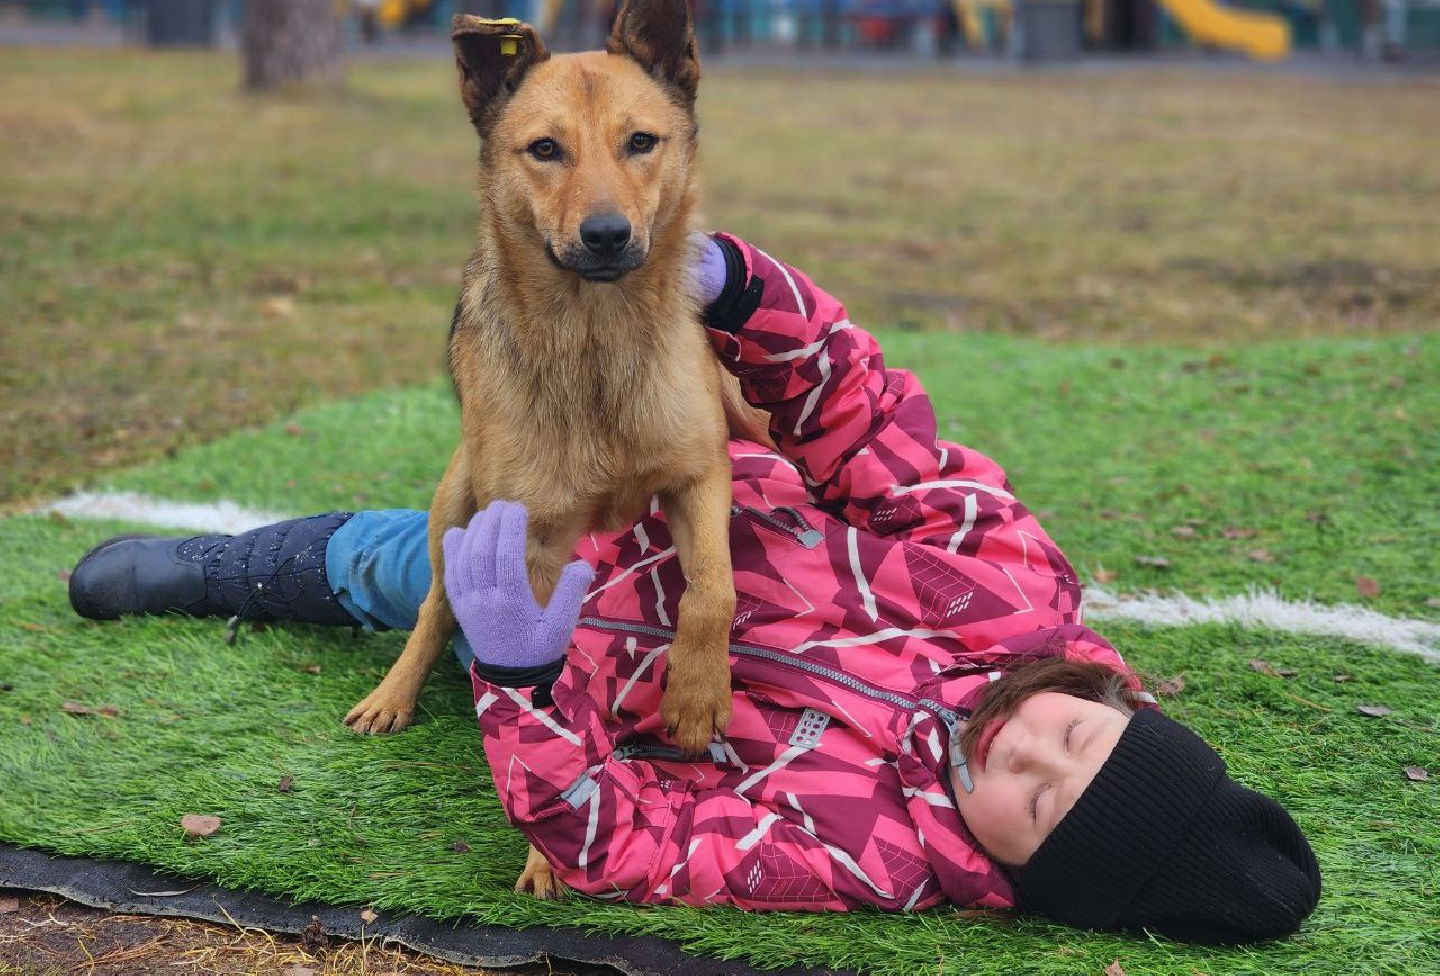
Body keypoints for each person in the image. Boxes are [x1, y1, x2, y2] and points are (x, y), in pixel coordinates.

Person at [69, 233, 1320, 943]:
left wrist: (516, 675)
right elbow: (879, 438)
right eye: (1077, 734)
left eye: (1038, 809)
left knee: (424, 580)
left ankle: (305, 583)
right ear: (1113, 695)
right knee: (409, 543)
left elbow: (629, 844)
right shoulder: (1014, 593)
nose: (1028, 754)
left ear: (1022, 881)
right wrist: (746, 295)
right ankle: (235, 564)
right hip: (658, 497)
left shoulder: (872, 859)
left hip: (566, 659)